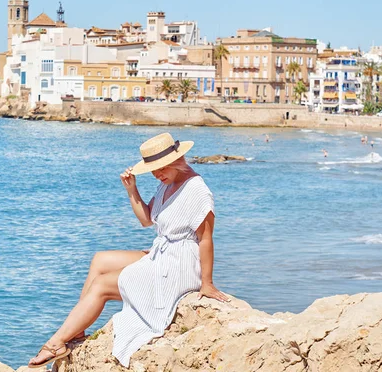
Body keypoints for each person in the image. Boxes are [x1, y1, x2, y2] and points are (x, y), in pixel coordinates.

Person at [27, 132, 230, 369]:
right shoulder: (168, 184)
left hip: (181, 264)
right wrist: (131, 189)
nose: (157, 174)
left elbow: (205, 239)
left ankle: (56, 342)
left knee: (102, 284)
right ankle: (77, 330)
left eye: (160, 168)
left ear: (176, 161)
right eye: (153, 170)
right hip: (164, 252)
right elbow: (146, 220)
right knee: (101, 260)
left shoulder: (196, 189)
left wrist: (207, 282)